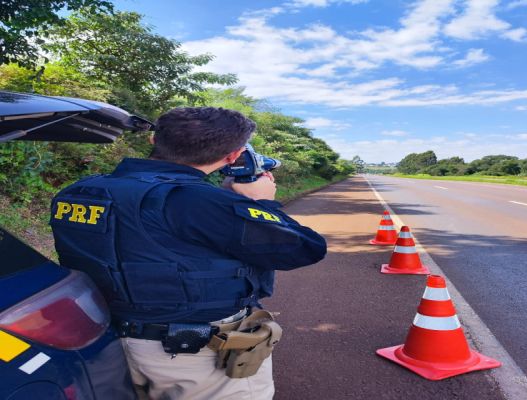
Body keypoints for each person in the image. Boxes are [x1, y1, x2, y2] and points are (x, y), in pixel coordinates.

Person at [49, 107, 327, 400]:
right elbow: (304, 248)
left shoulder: (79, 191)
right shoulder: (201, 203)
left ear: (154, 140)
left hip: (99, 344)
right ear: (233, 156)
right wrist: (262, 204)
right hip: (192, 357)